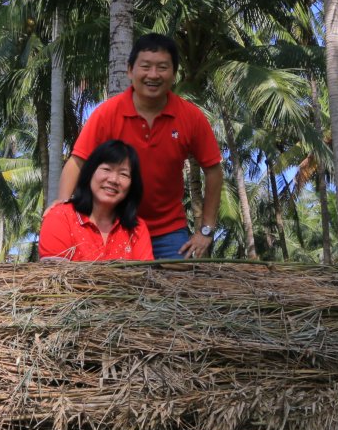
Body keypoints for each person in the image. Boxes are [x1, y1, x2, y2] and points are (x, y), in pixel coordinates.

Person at [55, 33, 223, 260]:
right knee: (113, 293)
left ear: (173, 74)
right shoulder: (107, 113)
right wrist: (62, 214)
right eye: (145, 66)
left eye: (162, 67)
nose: (153, 75)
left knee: (175, 293)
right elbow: (77, 161)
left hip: (169, 232)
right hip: (117, 226)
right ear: (130, 70)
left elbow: (213, 170)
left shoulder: (191, 117)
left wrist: (206, 230)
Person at [39, 140, 153, 261]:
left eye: (124, 174)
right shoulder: (61, 217)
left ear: (132, 185)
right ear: (90, 172)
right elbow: (54, 276)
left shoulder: (137, 229)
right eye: (106, 169)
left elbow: (146, 277)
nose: (113, 179)